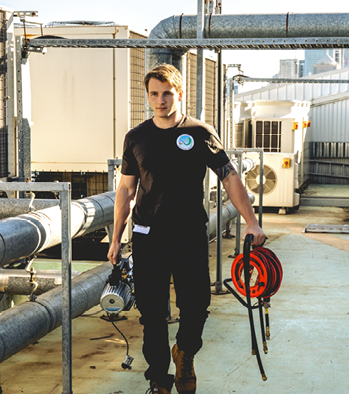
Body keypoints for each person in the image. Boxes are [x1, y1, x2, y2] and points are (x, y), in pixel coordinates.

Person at [107, 64, 266, 394]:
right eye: (154, 94)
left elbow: (230, 176)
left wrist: (251, 221)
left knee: (196, 306)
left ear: (179, 94)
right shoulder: (137, 137)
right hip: (148, 236)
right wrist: (117, 235)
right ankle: (159, 380)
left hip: (190, 234)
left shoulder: (200, 133)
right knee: (151, 313)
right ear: (148, 96)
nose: (160, 100)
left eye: (167, 93)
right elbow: (126, 189)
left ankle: (185, 351)